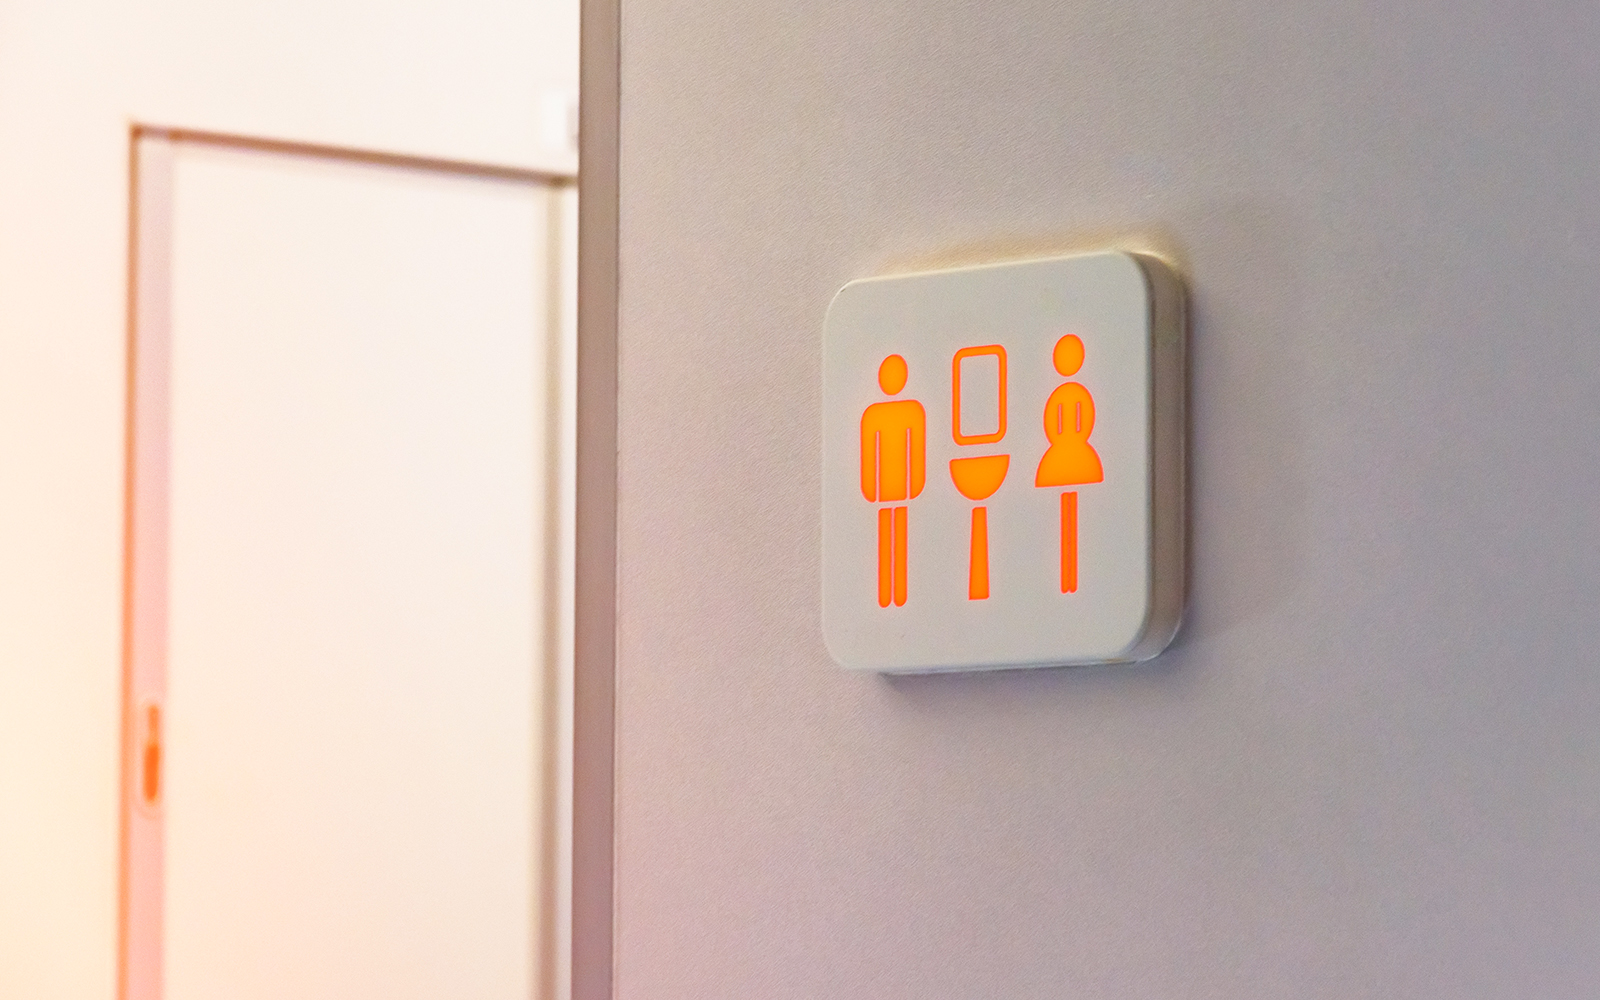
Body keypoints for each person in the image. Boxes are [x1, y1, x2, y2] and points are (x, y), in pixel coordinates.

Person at [1035, 334, 1102, 593]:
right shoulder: (1076, 393)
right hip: (1074, 454)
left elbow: (1054, 426)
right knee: (1068, 512)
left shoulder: (1064, 395)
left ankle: (1069, 579)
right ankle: (1068, 579)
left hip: (1064, 455)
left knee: (1069, 512)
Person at [860, 354, 925, 607]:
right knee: (887, 534)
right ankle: (887, 594)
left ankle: (898, 594)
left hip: (901, 486)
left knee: (898, 534)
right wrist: (869, 488)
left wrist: (916, 484)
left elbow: (916, 447)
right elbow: (869, 450)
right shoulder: (873, 414)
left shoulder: (913, 411)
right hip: (885, 488)